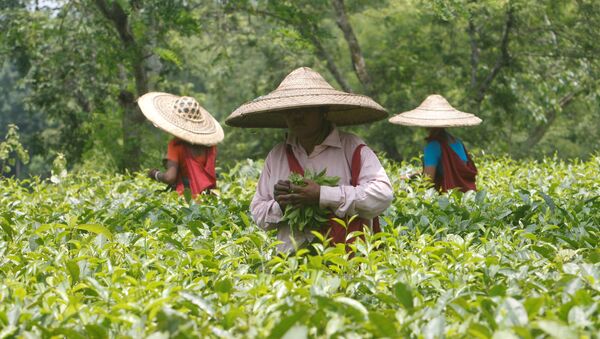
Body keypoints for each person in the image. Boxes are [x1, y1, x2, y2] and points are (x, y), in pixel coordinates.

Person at [226, 67, 394, 253]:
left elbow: (382, 195)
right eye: (290, 110)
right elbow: (257, 212)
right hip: (290, 269)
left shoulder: (351, 147)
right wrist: (281, 204)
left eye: (305, 109)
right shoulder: (277, 156)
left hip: (346, 266)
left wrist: (323, 195)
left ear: (323, 111)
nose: (297, 116)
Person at [389, 94, 481, 192]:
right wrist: (411, 176)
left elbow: (428, 181)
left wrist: (407, 188)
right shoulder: (457, 142)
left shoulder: (433, 146)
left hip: (451, 199)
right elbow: (450, 172)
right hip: (469, 195)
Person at [137, 92, 224, 196]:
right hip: (208, 196)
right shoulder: (211, 146)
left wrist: (155, 174)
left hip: (186, 198)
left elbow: (170, 177)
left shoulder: (176, 145)